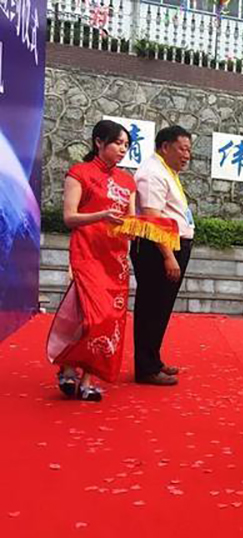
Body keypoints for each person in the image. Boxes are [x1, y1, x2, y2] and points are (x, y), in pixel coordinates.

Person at [46, 120, 135, 402]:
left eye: (126, 145)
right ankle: (69, 365)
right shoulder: (79, 173)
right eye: (118, 143)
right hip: (87, 254)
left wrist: (150, 228)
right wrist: (101, 216)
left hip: (116, 258)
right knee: (91, 317)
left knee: (109, 320)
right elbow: (69, 217)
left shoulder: (127, 181)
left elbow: (130, 221)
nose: (123, 150)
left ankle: (86, 378)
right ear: (99, 142)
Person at [130, 126, 194, 386]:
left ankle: (153, 360)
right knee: (151, 306)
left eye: (189, 150)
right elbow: (152, 216)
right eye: (182, 149)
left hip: (173, 244)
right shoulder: (152, 173)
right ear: (165, 147)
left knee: (161, 307)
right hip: (157, 248)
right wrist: (168, 255)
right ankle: (145, 368)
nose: (187, 155)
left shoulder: (167, 172)